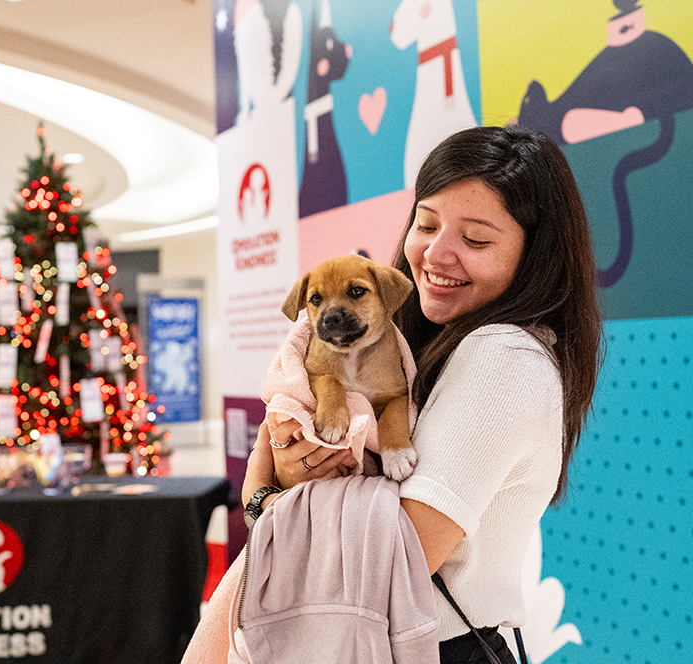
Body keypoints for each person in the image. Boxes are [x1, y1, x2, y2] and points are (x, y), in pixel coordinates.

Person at [229, 125, 602, 663]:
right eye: (425, 224)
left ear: (535, 254)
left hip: (433, 645)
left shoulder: (503, 357)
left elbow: (395, 558)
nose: (435, 254)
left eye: (475, 239)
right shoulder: (422, 344)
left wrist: (261, 498)